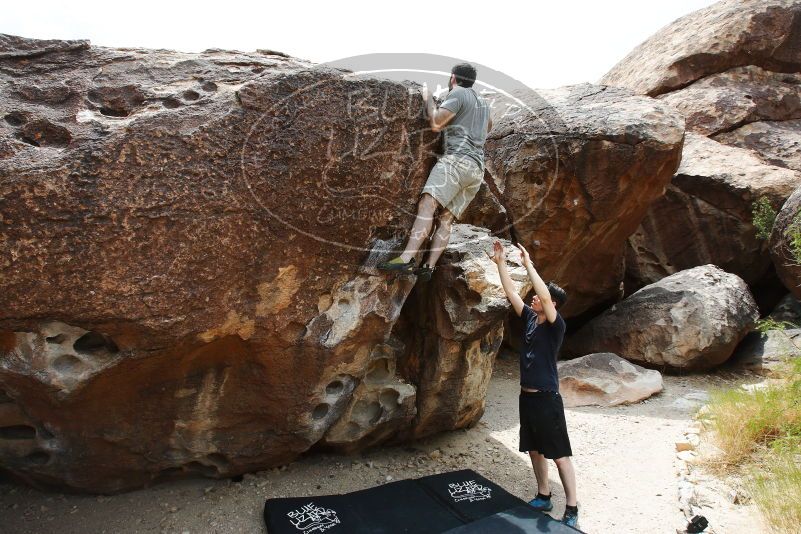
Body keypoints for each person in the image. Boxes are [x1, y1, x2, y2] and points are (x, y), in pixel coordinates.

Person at [487, 239, 579, 528]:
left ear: (552, 304)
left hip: (546, 398)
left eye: (539, 297)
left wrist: (529, 265)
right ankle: (544, 495)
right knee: (535, 450)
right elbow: (511, 291)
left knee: (560, 456)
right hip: (526, 398)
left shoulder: (555, 325)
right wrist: (501, 263)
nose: (533, 299)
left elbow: (540, 290)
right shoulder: (529, 318)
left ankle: (573, 506)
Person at [378, 63, 492, 281]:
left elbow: (436, 123)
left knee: (428, 204)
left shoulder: (458, 93)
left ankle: (406, 258)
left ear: (453, 78)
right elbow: (489, 127)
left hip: (456, 163)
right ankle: (428, 267)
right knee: (446, 219)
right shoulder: (484, 103)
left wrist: (427, 97)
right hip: (476, 170)